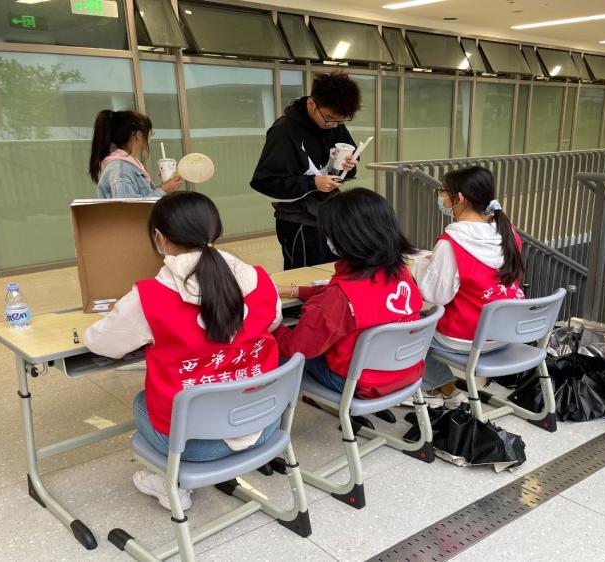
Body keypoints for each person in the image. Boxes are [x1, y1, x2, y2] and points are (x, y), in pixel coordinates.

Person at [84, 191, 283, 511]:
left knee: (141, 403)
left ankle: (171, 484)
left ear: (160, 238)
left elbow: (101, 343)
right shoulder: (260, 279)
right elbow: (273, 321)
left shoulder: (149, 298)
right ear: (216, 230)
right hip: (265, 425)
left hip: (197, 448)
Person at [274, 188, 424, 399]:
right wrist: (295, 290)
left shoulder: (338, 298)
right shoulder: (401, 273)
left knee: (273, 353)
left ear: (348, 237)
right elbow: (358, 297)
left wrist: (272, 323)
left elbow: (295, 349)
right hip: (406, 371)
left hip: (357, 382)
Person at [410, 166, 525, 409]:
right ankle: (446, 389)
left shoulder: (452, 242)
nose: (442, 197)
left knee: (412, 328)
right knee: (425, 322)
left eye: (443, 192)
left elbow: (435, 295)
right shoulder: (508, 232)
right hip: (507, 333)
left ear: (459, 197)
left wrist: (419, 267)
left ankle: (430, 389)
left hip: (467, 336)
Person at [251, 71, 362, 269]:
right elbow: (264, 181)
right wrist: (313, 183)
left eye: (340, 121)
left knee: (334, 272)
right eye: (329, 118)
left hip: (331, 215)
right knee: (304, 275)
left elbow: (348, 160)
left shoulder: (334, 124)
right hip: (299, 220)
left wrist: (349, 166)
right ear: (311, 103)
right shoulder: (284, 131)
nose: (334, 125)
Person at [89, 109, 183, 198]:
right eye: (151, 133)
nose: (151, 138)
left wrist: (165, 187)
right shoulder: (121, 168)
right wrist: (163, 189)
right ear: (139, 135)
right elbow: (129, 206)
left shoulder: (125, 163)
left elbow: (139, 198)